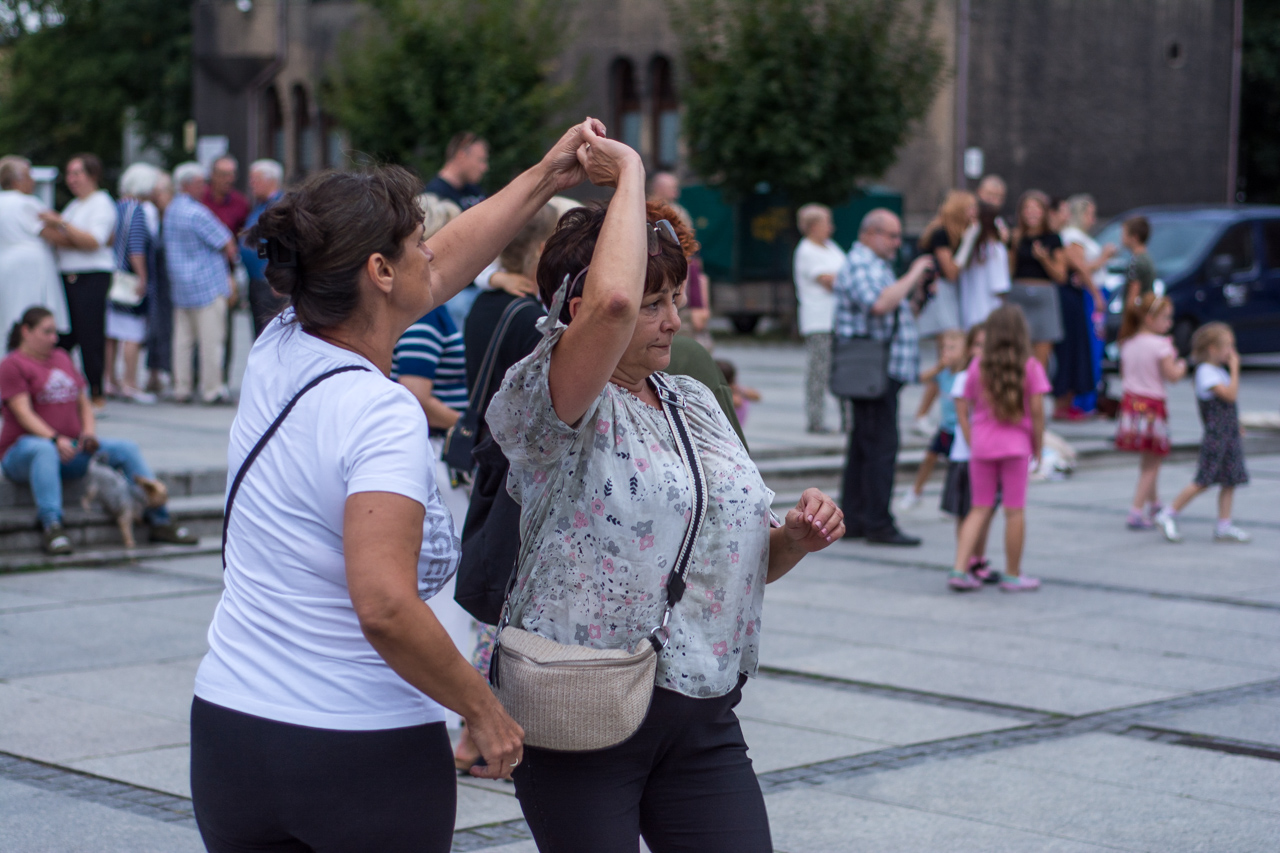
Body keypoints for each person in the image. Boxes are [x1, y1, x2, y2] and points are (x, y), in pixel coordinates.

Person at [190, 119, 602, 851]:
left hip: (230, 731)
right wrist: (482, 708)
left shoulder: (278, 344)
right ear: (380, 271)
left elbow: (446, 261)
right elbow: (382, 602)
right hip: (354, 750)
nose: (433, 255)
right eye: (417, 242)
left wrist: (546, 174)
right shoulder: (378, 409)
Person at [486, 126, 844, 853]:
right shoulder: (552, 400)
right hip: (583, 708)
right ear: (576, 307)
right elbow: (611, 305)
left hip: (704, 709)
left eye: (675, 297)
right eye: (655, 302)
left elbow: (741, 555)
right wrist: (630, 174)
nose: (672, 321)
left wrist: (792, 540)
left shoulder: (693, 400)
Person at [0, 307, 197, 555]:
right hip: (23, 453)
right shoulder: (12, 365)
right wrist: (54, 439)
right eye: (47, 332)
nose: (54, 338)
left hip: (69, 449)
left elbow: (83, 402)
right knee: (43, 450)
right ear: (25, 332)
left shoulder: (61, 357)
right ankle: (52, 526)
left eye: (55, 332)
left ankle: (159, 518)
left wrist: (89, 433)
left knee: (126, 449)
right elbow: (23, 413)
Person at [834, 208, 934, 546]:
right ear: (870, 233)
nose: (896, 242)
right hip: (872, 371)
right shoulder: (861, 263)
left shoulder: (874, 265)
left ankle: (856, 517)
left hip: (880, 370)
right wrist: (915, 270)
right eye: (891, 235)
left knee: (864, 443)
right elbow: (878, 304)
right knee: (881, 446)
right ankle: (878, 522)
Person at [949, 304, 1048, 592]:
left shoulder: (977, 367)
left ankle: (959, 568)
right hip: (1016, 446)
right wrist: (1038, 447)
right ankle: (1012, 575)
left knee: (979, 508)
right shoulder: (1030, 366)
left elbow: (965, 402)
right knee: (1014, 511)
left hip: (981, 445)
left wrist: (970, 435)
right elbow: (1038, 411)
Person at [1154, 323, 1250, 544]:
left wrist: (1236, 424)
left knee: (1230, 479)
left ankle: (1224, 524)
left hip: (1228, 435)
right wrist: (1235, 369)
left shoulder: (1216, 371)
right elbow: (1229, 396)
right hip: (1216, 437)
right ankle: (1168, 513)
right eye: (1228, 347)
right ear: (1213, 349)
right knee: (1203, 480)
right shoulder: (1206, 373)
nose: (1232, 352)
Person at [41, 153, 117, 406]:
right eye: (69, 174)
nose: (71, 179)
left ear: (92, 175)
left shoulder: (101, 203)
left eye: (77, 173)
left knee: (90, 335)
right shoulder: (75, 205)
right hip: (70, 275)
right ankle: (65, 387)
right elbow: (72, 240)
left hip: (91, 276)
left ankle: (97, 392)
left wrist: (61, 225)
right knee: (66, 334)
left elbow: (92, 241)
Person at [164, 162, 238, 404]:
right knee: (211, 341)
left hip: (181, 286)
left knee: (182, 342)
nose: (203, 187)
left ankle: (181, 387)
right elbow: (225, 240)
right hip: (206, 284)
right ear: (187, 185)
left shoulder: (171, 210)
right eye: (199, 183)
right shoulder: (197, 212)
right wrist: (233, 274)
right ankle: (212, 389)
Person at [1115, 294, 1187, 530]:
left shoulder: (1127, 342)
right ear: (1149, 318)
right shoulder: (1161, 346)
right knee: (1153, 461)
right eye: (1165, 318)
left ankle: (1154, 503)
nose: (1169, 323)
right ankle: (1136, 510)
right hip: (1152, 407)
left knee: (1149, 457)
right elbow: (1172, 376)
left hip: (1131, 406)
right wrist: (1181, 365)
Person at [911, 190, 977, 433]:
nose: (974, 213)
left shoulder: (953, 233)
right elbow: (951, 271)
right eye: (970, 207)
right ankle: (922, 415)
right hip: (939, 298)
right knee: (948, 359)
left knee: (950, 361)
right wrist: (970, 241)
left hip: (948, 296)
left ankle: (936, 414)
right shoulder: (941, 233)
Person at [941, 323, 999, 583]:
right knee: (967, 512)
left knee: (985, 511)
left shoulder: (993, 377)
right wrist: (976, 446)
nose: (980, 352)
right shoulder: (965, 377)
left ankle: (977, 558)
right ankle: (964, 561)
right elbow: (962, 417)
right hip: (967, 457)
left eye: (985, 346)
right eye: (976, 345)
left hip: (987, 456)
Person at [1056, 194, 1115, 420]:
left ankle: (1087, 398)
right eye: (1090, 213)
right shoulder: (1073, 237)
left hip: (1096, 292)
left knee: (1095, 348)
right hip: (1091, 295)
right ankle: (1081, 400)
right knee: (1088, 347)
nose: (1093, 218)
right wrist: (1104, 257)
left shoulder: (1080, 237)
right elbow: (1082, 268)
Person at [103, 166, 157, 404]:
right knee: (132, 332)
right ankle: (130, 383)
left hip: (112, 275)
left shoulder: (117, 206)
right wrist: (142, 277)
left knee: (112, 332)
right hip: (128, 278)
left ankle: (109, 380)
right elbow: (136, 247)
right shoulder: (137, 210)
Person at [0, 156, 70, 338]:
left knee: (7, 316)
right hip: (30, 268)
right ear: (18, 180)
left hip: (5, 265)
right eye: (29, 177)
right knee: (32, 315)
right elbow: (55, 237)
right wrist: (64, 226)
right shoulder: (27, 203)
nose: (33, 182)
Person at [793, 203, 847, 433]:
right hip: (819, 320)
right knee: (819, 372)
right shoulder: (807, 250)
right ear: (813, 226)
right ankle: (815, 420)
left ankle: (848, 420)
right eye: (826, 222)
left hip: (839, 318)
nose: (831, 227)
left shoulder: (831, 247)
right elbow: (829, 280)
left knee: (844, 370)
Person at [898, 329, 966, 512]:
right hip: (945, 427)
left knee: (956, 468)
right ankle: (916, 491)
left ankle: (953, 502)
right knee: (929, 458)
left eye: (952, 348)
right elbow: (920, 378)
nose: (946, 352)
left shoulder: (966, 376)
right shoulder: (943, 373)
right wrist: (938, 367)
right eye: (944, 348)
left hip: (960, 430)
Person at [1006, 189, 1067, 369]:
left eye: (1036, 208)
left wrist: (1044, 259)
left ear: (1044, 212)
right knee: (1017, 359)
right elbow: (1010, 272)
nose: (1031, 212)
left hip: (1043, 299)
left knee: (1039, 365)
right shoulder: (1017, 237)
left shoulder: (1053, 238)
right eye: (1027, 208)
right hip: (1019, 298)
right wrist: (1011, 246)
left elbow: (1061, 275)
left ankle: (1037, 396)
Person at [202, 156, 248, 387]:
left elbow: (243, 239)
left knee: (225, 331)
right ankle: (201, 380)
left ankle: (222, 380)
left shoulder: (240, 203)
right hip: (200, 276)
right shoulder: (201, 200)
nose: (228, 179)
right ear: (213, 175)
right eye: (223, 174)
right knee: (200, 333)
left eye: (232, 174)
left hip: (227, 274)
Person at [240, 159, 287, 337]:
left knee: (270, 333)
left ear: (270, 180)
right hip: (257, 281)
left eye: (255, 179)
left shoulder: (279, 206)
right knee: (259, 332)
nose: (251, 184)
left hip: (270, 282)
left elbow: (284, 240)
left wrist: (280, 275)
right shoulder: (260, 205)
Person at [958, 202, 1010, 329]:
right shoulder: (995, 250)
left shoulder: (971, 250)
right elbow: (1000, 287)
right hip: (988, 314)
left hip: (971, 314)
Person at [145, 171, 175, 395]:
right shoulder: (152, 216)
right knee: (155, 328)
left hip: (171, 282)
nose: (157, 198)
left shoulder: (173, 217)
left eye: (160, 193)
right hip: (156, 282)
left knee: (170, 329)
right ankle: (154, 373)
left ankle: (168, 373)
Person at [1122, 215, 1156, 306]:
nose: (1121, 238)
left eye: (1124, 234)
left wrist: (1127, 317)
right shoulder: (1147, 258)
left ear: (1134, 237)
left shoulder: (1136, 262)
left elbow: (1132, 299)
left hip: (1137, 316)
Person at [976, 174, 1009, 243]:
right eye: (989, 194)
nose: (992, 200)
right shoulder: (971, 219)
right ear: (979, 192)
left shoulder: (1003, 223)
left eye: (997, 196)